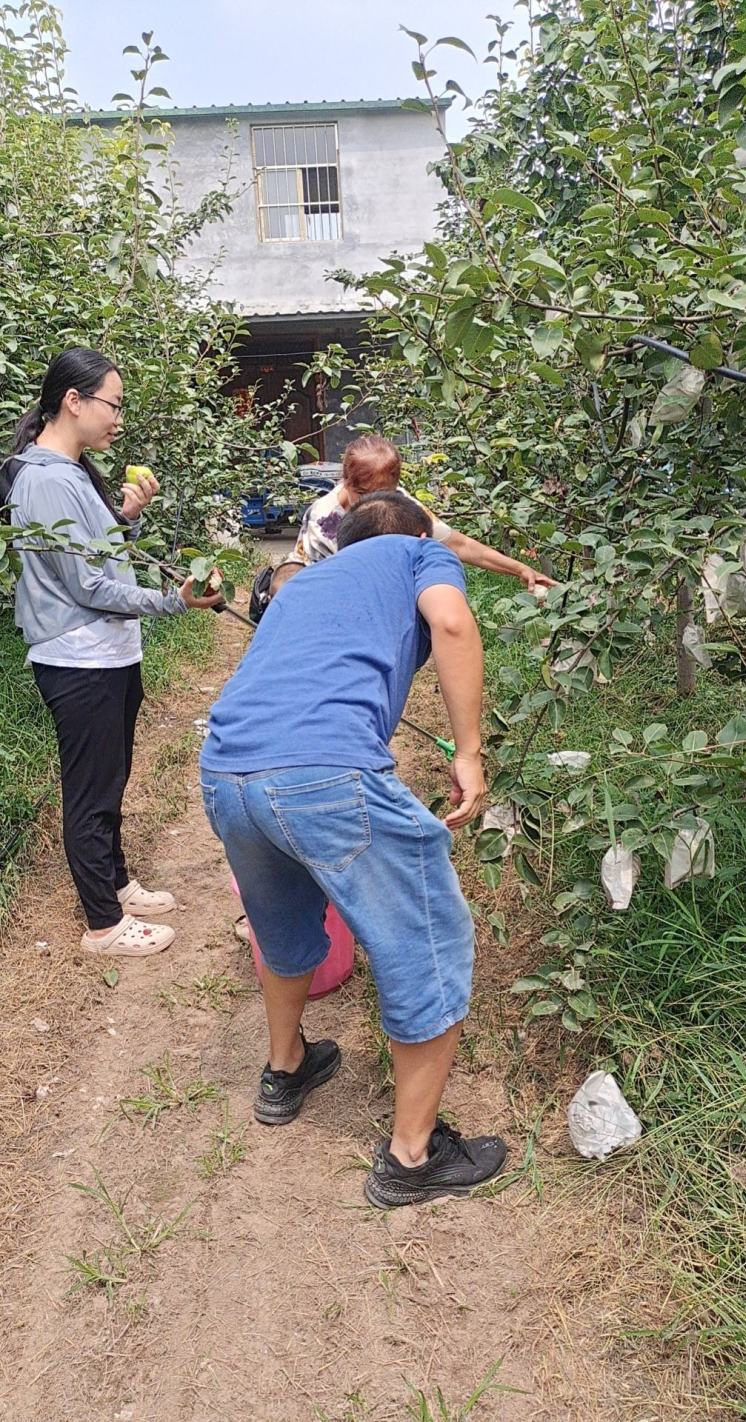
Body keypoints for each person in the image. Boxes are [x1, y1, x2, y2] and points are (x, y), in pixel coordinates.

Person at [200, 490, 508, 1208]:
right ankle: (412, 1158)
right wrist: (469, 753)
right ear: (418, 531)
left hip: (225, 772)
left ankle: (285, 1069)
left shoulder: (307, 579)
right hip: (322, 772)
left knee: (281, 929)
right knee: (427, 939)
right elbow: (453, 624)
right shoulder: (419, 550)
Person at [3, 347, 222, 958]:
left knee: (111, 775)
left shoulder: (69, 474)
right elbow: (87, 587)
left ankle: (117, 882)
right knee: (91, 788)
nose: (118, 418)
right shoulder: (45, 478)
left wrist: (123, 517)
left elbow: (90, 557)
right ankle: (103, 924)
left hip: (105, 653)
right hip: (78, 659)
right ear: (74, 401)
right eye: (113, 404)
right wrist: (173, 600)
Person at [295, 433, 554, 592]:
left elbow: (458, 544)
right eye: (363, 494)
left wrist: (520, 569)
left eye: (383, 494)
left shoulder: (400, 503)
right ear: (345, 481)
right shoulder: (323, 519)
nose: (374, 503)